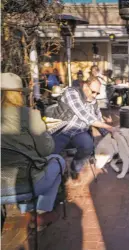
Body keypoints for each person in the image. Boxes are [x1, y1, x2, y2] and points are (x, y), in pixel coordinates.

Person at [1, 73, 66, 229]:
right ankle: (39, 212)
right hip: (26, 184)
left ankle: (29, 208)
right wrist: (44, 132)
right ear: (18, 94)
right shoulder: (30, 115)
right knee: (58, 161)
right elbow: (46, 150)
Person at [51, 77, 113, 179]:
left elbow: (98, 120)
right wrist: (109, 127)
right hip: (61, 129)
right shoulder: (71, 92)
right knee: (52, 154)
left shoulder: (93, 102)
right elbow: (84, 115)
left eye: (97, 93)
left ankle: (75, 168)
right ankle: (57, 175)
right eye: (93, 92)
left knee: (88, 146)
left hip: (79, 132)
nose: (94, 96)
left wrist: (111, 136)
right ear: (85, 86)